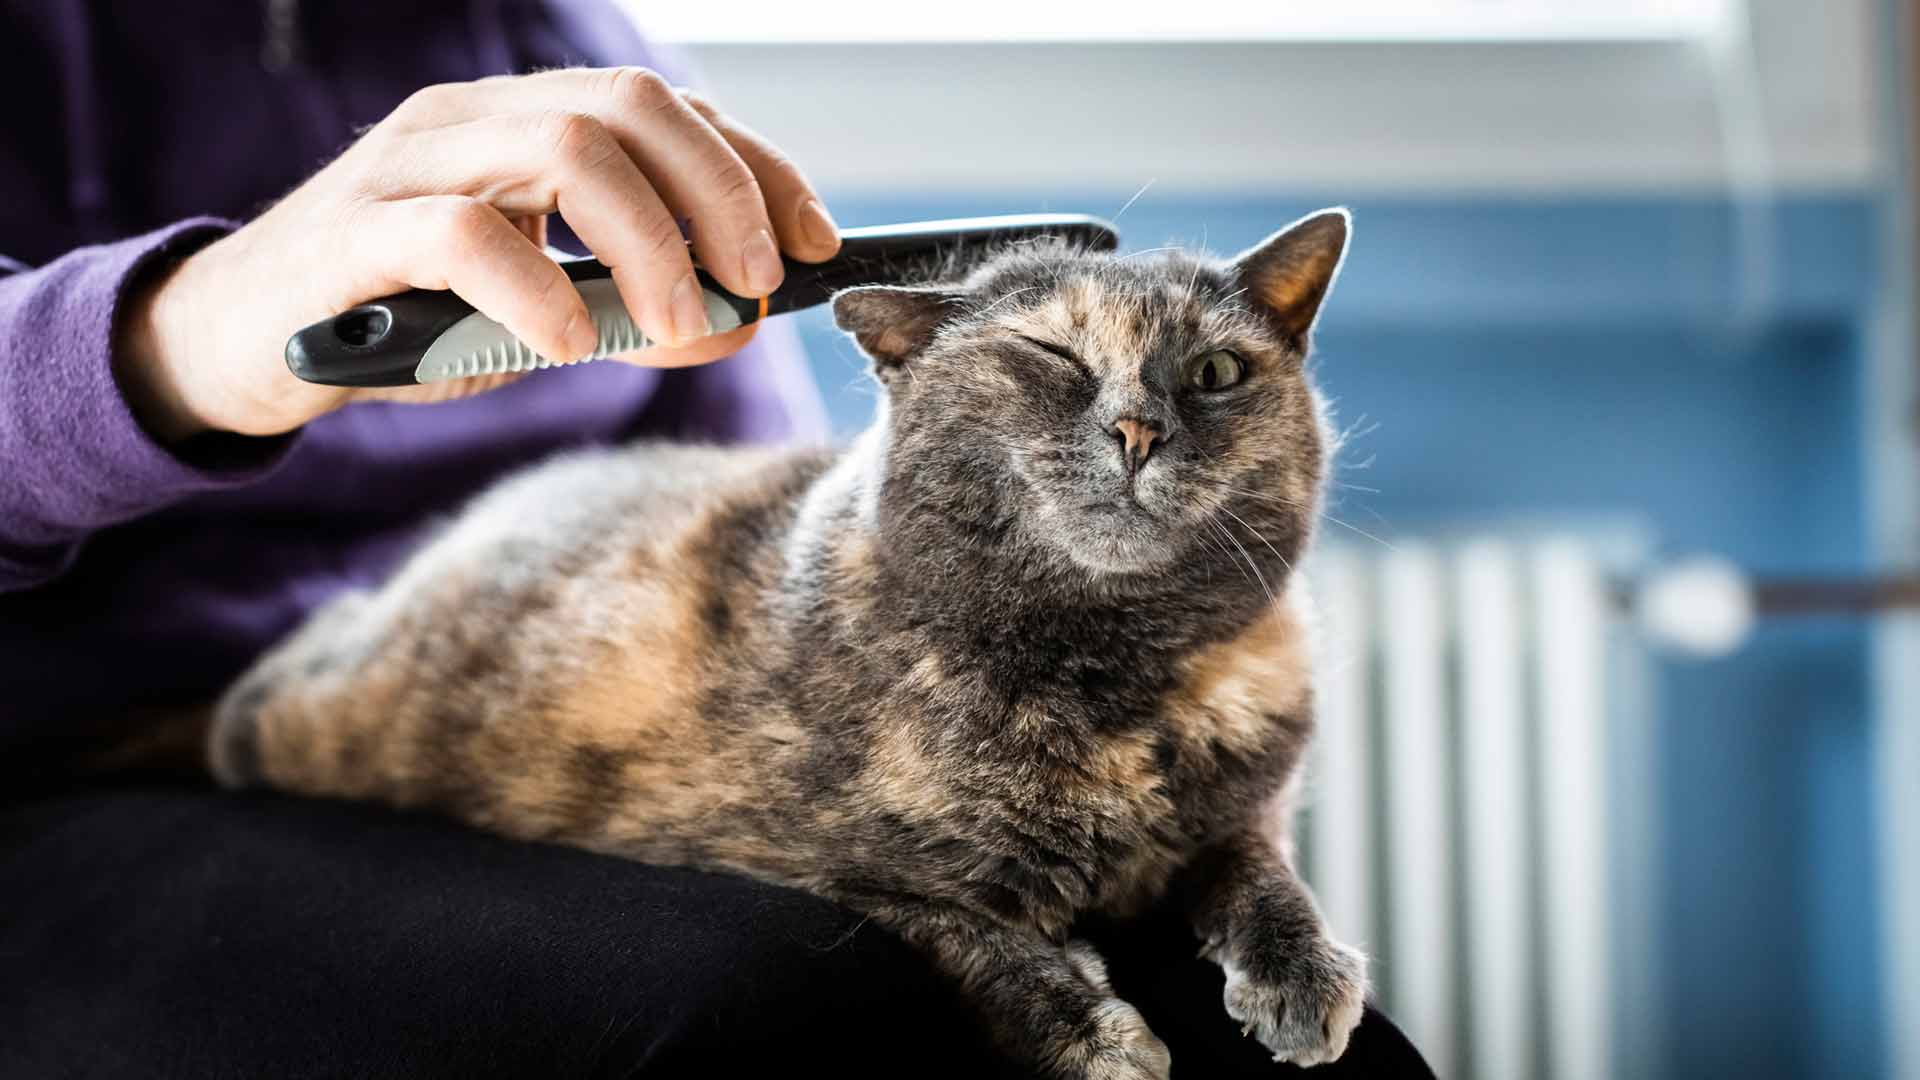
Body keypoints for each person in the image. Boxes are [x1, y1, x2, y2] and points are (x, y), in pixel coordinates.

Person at [0, 3, 1435, 1076]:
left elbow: (741, 494)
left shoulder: (569, 37)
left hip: (566, 691)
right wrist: (181, 329)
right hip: (88, 761)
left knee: (1328, 1062)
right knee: (799, 1010)